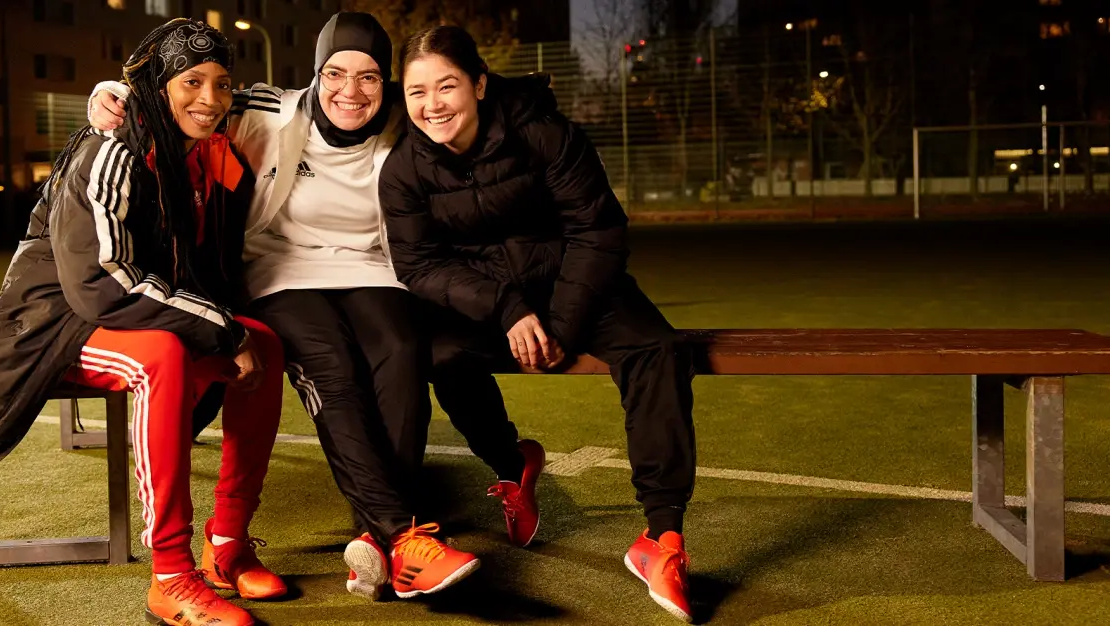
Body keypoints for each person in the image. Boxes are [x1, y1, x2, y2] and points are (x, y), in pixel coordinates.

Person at [86, 12, 540, 601]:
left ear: (389, 84)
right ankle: (403, 535)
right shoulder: (266, 110)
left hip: (375, 267)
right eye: (335, 73)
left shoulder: (409, 123)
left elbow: (489, 104)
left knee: (402, 352)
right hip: (281, 268)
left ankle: (376, 540)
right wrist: (108, 95)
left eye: (370, 77)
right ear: (315, 74)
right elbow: (177, 93)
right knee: (331, 363)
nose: (351, 91)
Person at [0, 19, 285, 626]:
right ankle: (172, 575)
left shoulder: (186, 149)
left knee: (267, 342)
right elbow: (102, 284)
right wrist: (219, 329)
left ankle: (226, 542)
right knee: (164, 356)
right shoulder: (111, 150)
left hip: (118, 313)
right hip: (54, 324)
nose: (211, 98)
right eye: (192, 82)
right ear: (156, 85)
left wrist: (232, 329)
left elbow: (302, 96)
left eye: (222, 84)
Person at [379, 25, 699, 623]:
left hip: (575, 284)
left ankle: (663, 538)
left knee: (658, 347)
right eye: (417, 92)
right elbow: (420, 266)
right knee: (439, 354)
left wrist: (564, 324)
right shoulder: (403, 169)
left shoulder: (546, 133)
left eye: (446, 86)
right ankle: (511, 465)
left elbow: (598, 231)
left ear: (478, 84)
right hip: (487, 302)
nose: (432, 105)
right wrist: (505, 307)